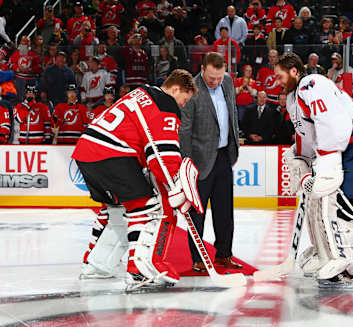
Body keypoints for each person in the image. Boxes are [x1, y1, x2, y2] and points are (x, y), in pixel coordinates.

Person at [72, 69, 202, 288]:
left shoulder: (142, 92)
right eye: (184, 99)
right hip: (111, 154)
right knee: (148, 208)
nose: (183, 105)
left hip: (86, 151)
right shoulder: (165, 104)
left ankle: (96, 264)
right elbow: (163, 154)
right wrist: (176, 187)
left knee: (114, 209)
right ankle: (139, 272)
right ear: (177, 88)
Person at [274, 53, 353, 283]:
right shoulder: (294, 98)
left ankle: (350, 264)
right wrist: (301, 159)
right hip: (343, 148)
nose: (278, 82)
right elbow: (305, 135)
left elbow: (333, 122)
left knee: (341, 203)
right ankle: (327, 254)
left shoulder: (312, 84)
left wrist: (327, 157)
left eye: (280, 76)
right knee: (318, 201)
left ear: (294, 71)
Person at [179, 52, 242, 273]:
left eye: (219, 76)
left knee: (225, 211)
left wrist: (235, 145)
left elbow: (231, 113)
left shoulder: (227, 81)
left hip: (224, 155)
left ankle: (224, 255)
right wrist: (186, 163)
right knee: (197, 214)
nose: (216, 81)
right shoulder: (191, 89)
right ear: (203, 68)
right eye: (211, 77)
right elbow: (184, 130)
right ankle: (198, 259)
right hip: (198, 161)